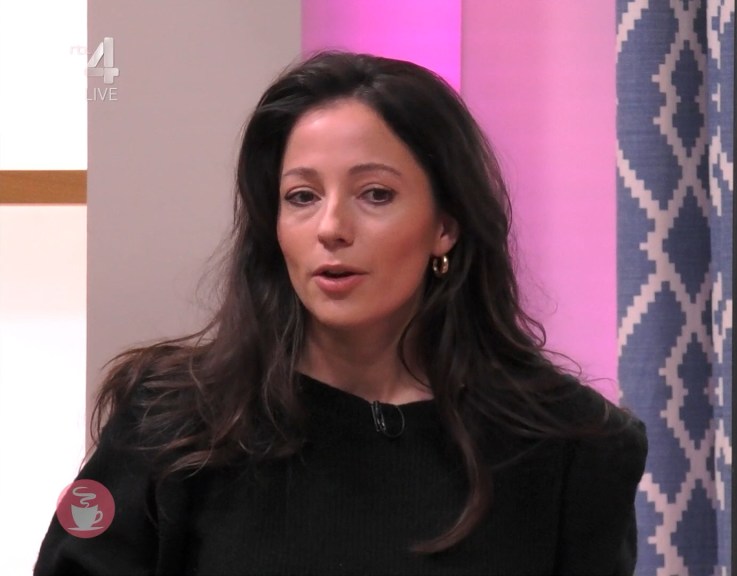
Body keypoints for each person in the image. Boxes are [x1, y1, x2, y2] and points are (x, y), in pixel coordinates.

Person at [35, 51, 647, 575]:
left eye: (375, 194)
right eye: (302, 196)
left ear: (445, 225)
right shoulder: (170, 419)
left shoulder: (572, 446)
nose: (331, 227)